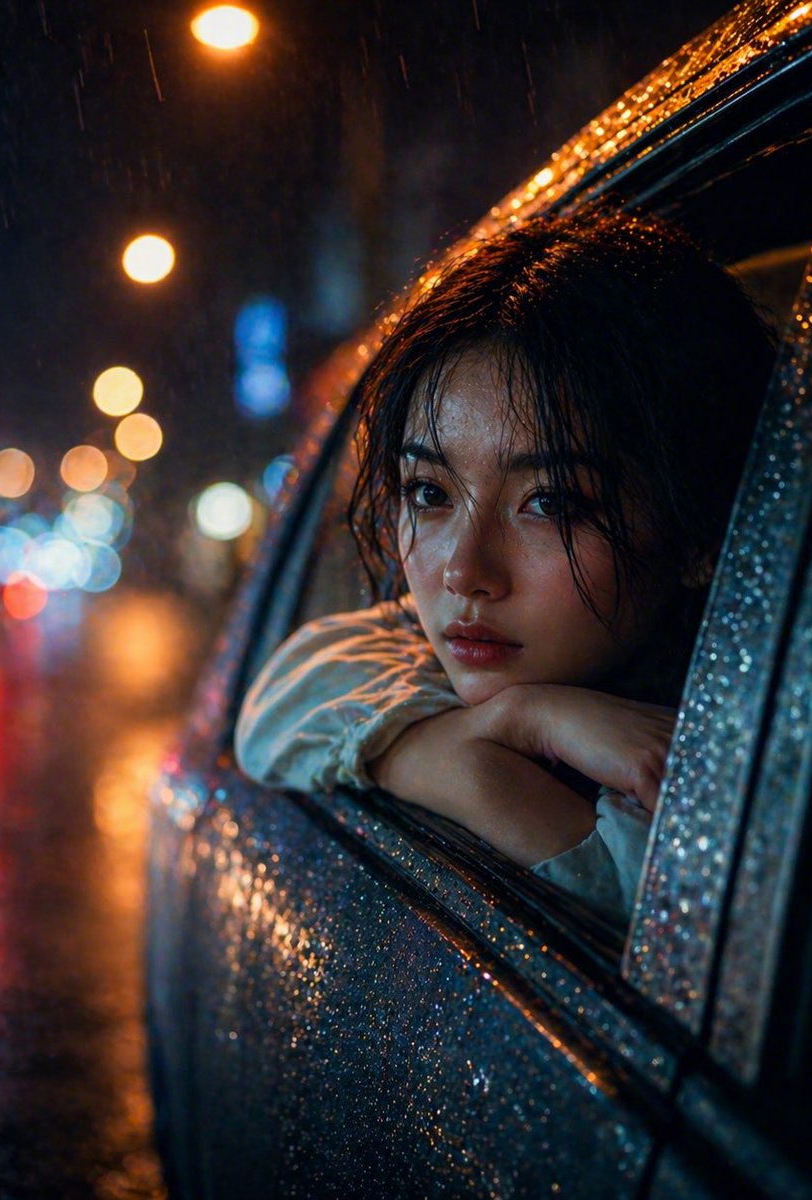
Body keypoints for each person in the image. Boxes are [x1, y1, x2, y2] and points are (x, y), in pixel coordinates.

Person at [235, 204, 776, 924]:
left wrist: (460, 762)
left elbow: (657, 914)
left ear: (700, 533)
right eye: (429, 493)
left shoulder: (735, 759)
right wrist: (523, 721)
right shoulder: (418, 653)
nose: (463, 571)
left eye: (550, 502)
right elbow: (278, 703)